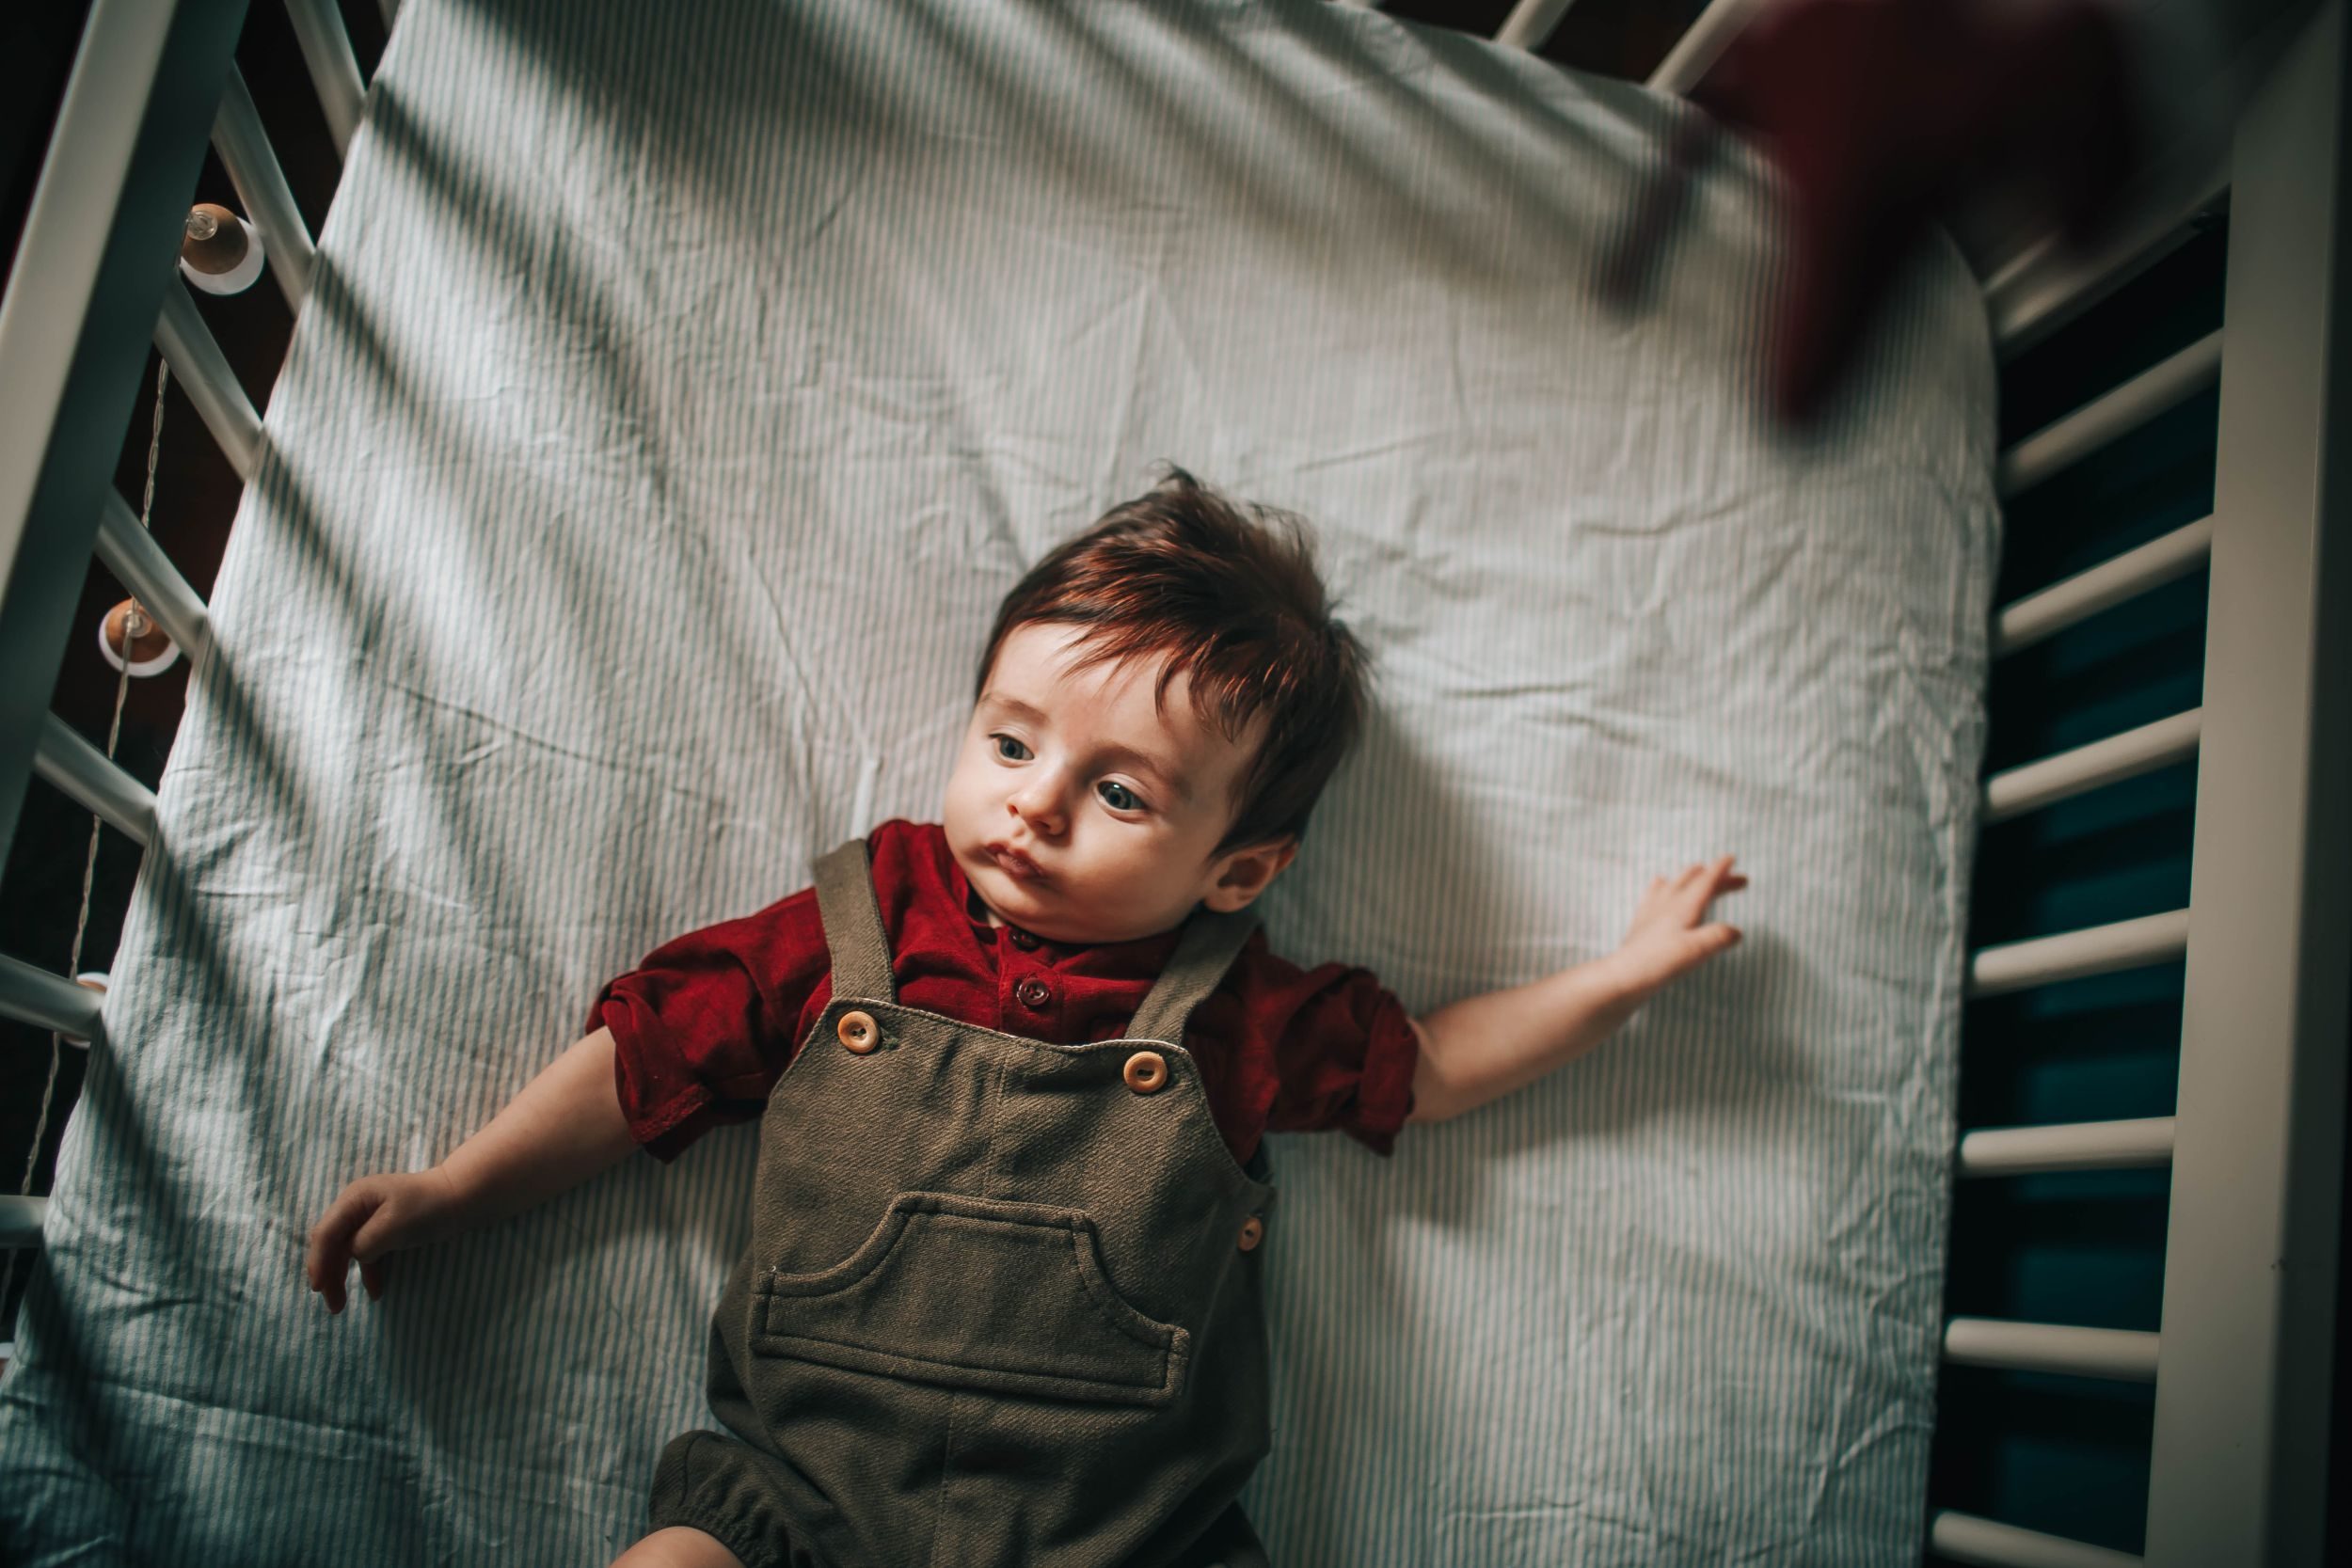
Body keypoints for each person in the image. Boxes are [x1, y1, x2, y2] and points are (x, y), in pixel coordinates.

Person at [303, 469, 1748, 1568]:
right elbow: (644, 1059)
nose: (1034, 804)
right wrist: (455, 1189)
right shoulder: (856, 927)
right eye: (1010, 740)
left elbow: (1425, 1066)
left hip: (1128, 1535)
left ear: (1237, 870)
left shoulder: (1231, 1007)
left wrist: (1611, 983)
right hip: (798, 1503)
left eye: (1120, 793)